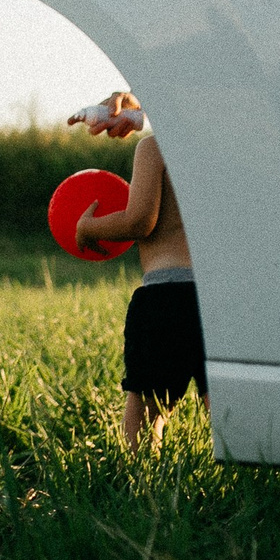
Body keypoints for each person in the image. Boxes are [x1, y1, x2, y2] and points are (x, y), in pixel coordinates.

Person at [68, 91, 203, 447]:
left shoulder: (155, 149)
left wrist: (89, 228)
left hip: (166, 297)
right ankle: (248, 478)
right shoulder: (226, 153)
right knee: (224, 401)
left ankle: (143, 478)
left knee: (147, 407)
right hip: (220, 293)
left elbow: (140, 220)